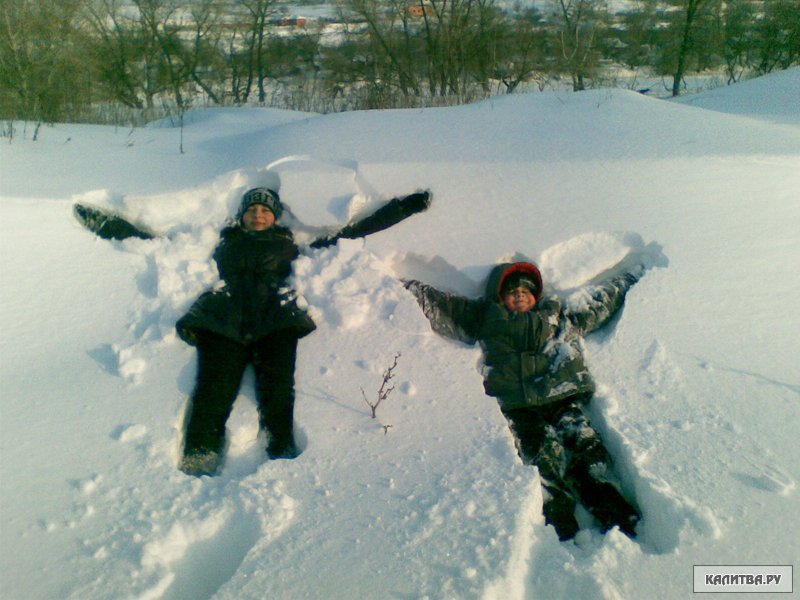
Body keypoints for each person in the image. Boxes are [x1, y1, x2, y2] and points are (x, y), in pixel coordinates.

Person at [176, 186, 431, 476]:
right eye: (252, 210)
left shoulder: (291, 244)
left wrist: (402, 208)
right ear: (242, 216)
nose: (258, 215)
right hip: (223, 318)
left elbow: (350, 232)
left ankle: (280, 451)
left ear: (274, 217)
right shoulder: (223, 242)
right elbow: (166, 240)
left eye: (264, 210)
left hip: (275, 319)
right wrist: (117, 228)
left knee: (278, 389)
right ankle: (199, 455)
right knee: (213, 389)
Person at [403, 259, 647, 540]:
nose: (519, 295)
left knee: (586, 446)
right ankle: (560, 522)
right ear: (499, 296)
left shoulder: (558, 316)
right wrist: (405, 288)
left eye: (526, 291)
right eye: (512, 291)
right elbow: (444, 306)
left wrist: (631, 277)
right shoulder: (485, 317)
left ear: (537, 296)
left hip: (562, 396)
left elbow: (598, 303)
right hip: (520, 407)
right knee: (543, 455)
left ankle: (614, 510)